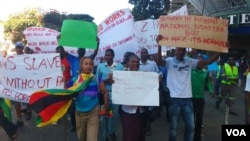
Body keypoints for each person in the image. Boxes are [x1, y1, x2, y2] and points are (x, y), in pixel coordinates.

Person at [156, 35, 221, 141]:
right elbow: (159, 62)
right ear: (175, 51)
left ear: (185, 51)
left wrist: (221, 51)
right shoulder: (169, 61)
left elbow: (208, 63)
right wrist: (159, 45)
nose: (181, 52)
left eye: (183, 50)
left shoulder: (190, 61)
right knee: (174, 128)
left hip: (187, 100)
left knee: (191, 127)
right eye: (179, 50)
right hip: (174, 99)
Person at [69, 57, 108, 141]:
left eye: (91, 64)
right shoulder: (75, 79)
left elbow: (105, 92)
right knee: (81, 137)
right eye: (86, 64)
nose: (89, 66)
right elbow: (65, 91)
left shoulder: (97, 78)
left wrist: (105, 106)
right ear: (81, 66)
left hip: (94, 112)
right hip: (79, 113)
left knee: (92, 138)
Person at [96, 49, 124, 141]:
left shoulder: (119, 66)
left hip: (116, 94)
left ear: (113, 56)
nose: (107, 57)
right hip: (105, 95)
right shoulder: (100, 66)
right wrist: (105, 81)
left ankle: (111, 132)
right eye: (106, 55)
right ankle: (105, 136)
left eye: (109, 55)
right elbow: (97, 81)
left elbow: (124, 80)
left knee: (113, 116)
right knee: (105, 117)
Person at [119, 53, 147, 141]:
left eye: (137, 62)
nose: (135, 63)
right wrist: (111, 80)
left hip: (141, 111)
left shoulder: (144, 76)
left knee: (140, 135)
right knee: (129, 136)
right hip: (128, 112)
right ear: (127, 63)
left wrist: (155, 82)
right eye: (133, 61)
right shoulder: (121, 76)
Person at [191, 55, 214, 141]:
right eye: (198, 62)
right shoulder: (190, 70)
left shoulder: (205, 72)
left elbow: (207, 81)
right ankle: (190, 134)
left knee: (199, 119)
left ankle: (197, 137)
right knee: (191, 119)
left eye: (201, 62)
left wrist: (211, 90)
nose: (200, 64)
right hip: (190, 98)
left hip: (200, 98)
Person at [139, 48, 160, 136]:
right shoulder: (137, 64)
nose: (143, 54)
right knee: (140, 111)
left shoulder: (152, 64)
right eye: (142, 53)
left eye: (145, 53)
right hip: (139, 92)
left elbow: (159, 74)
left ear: (147, 54)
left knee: (148, 111)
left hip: (150, 92)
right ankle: (140, 128)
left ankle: (148, 128)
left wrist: (158, 80)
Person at [53, 46, 72, 125]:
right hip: (58, 84)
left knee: (67, 100)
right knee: (58, 101)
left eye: (60, 51)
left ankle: (69, 113)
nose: (59, 53)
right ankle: (57, 118)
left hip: (68, 83)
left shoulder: (68, 59)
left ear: (63, 51)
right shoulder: (54, 62)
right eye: (57, 51)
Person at [13, 42, 25, 127]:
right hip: (16, 84)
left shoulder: (27, 58)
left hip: (26, 84)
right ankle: (19, 119)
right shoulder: (12, 58)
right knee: (16, 103)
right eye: (17, 48)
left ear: (22, 49)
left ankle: (28, 111)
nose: (18, 49)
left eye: (20, 48)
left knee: (28, 100)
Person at [243, 58, 250, 124]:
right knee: (247, 110)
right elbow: (244, 75)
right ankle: (247, 119)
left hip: (247, 93)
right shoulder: (248, 71)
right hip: (247, 92)